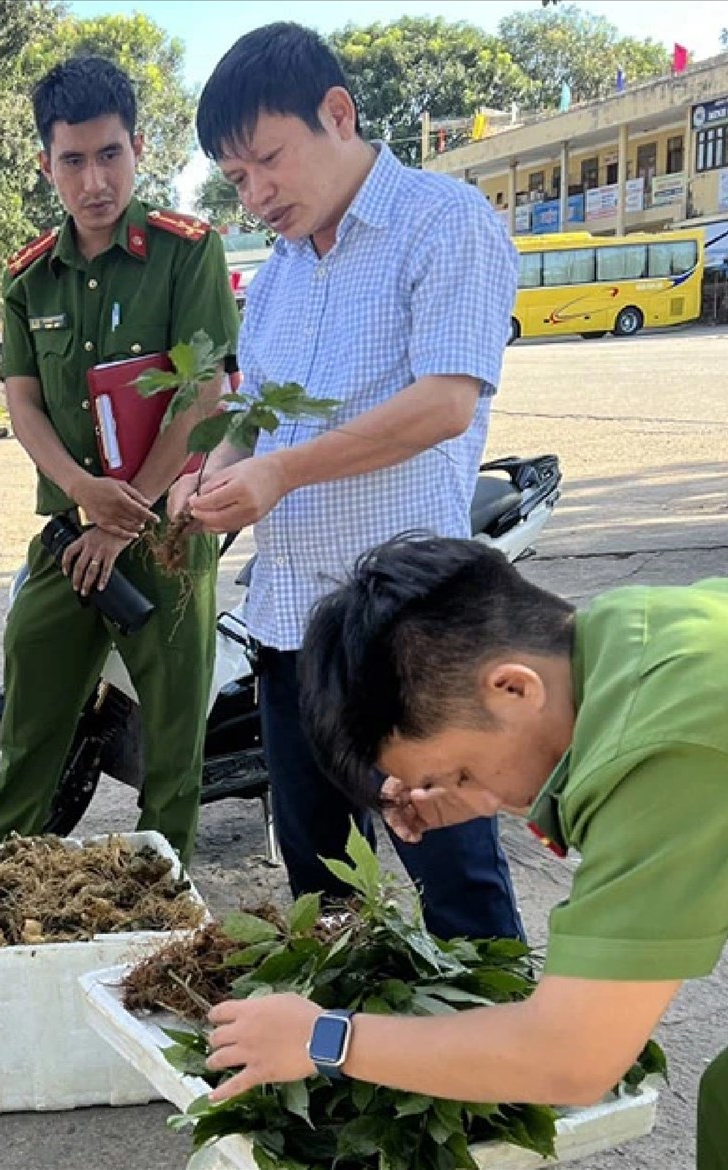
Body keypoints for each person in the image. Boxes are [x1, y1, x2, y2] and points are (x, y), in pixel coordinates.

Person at [205, 534, 728, 1170]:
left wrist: (325, 1038)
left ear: (512, 689)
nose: (458, 796)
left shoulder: (666, 749)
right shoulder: (630, 637)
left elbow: (571, 1057)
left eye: (456, 772)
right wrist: (471, 790)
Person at [176, 22, 522, 942]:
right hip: (291, 625)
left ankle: (500, 1066)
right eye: (235, 177)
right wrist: (214, 476)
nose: (254, 196)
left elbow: (444, 404)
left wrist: (281, 472)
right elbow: (253, 414)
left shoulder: (446, 224)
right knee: (320, 884)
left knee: (453, 876)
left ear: (337, 113)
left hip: (404, 633)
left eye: (266, 163)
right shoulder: (282, 273)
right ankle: (347, 1057)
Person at [0, 56, 238, 864]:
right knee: (31, 717)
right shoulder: (27, 279)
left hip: (166, 537)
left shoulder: (186, 253)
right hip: (70, 536)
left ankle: (162, 906)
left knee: (171, 739)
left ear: (139, 146)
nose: (95, 181)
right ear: (46, 163)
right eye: (74, 160)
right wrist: (84, 492)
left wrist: (124, 519)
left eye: (110, 154)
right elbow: (22, 403)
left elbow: (201, 397)